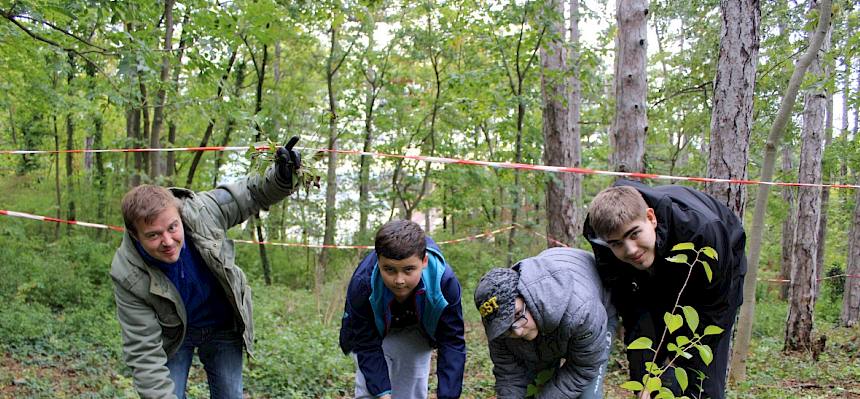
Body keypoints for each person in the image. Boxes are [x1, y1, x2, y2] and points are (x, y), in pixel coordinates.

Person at [110, 138, 302, 399]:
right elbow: (144, 354)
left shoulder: (202, 211)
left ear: (180, 215)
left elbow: (251, 193)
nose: (167, 241)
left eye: (172, 228)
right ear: (135, 235)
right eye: (153, 235)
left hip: (222, 325)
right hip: (174, 334)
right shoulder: (127, 273)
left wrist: (281, 176)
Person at [583, 180, 747, 399]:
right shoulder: (600, 232)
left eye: (634, 234)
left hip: (711, 273)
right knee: (644, 371)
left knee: (700, 375)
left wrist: (670, 365)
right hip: (647, 276)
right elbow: (630, 307)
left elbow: (716, 311)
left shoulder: (703, 230)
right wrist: (649, 377)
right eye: (616, 243)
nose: (630, 250)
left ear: (650, 218)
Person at [339, 220, 466, 399]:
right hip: (376, 330)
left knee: (411, 386)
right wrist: (382, 393)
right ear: (378, 261)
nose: (399, 280)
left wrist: (448, 395)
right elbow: (366, 343)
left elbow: (452, 342)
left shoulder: (444, 283)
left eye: (408, 270)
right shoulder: (363, 283)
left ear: (424, 262)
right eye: (389, 269)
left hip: (418, 326)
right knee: (371, 392)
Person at [474, 247, 616, 399]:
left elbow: (583, 368)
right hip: (548, 318)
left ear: (528, 296)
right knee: (537, 385)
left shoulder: (583, 311)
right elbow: (509, 376)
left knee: (588, 396)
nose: (517, 331)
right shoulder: (498, 328)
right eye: (506, 327)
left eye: (517, 314)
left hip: (595, 306)